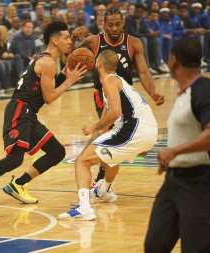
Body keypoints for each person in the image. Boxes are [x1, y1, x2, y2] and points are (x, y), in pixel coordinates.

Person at [0, 21, 87, 211]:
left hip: (28, 112)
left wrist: (67, 71)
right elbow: (49, 98)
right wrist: (70, 81)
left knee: (57, 152)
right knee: (15, 158)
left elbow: (48, 86)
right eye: (66, 39)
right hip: (20, 110)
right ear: (56, 41)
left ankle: (18, 184)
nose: (70, 43)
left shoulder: (46, 57)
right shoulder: (48, 62)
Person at [58, 49, 158, 220]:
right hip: (149, 128)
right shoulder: (119, 82)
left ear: (99, 64)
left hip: (135, 126)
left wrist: (93, 125)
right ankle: (104, 191)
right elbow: (106, 125)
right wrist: (98, 132)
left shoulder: (109, 80)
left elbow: (116, 112)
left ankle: (84, 208)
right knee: (113, 155)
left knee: (82, 161)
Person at [71, 8, 165, 188]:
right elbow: (72, 58)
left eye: (117, 24)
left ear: (123, 24)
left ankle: (98, 174)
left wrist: (152, 93)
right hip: (103, 94)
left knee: (137, 148)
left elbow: (143, 71)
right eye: (110, 25)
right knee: (106, 131)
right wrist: (74, 38)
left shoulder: (134, 43)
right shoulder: (94, 41)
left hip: (126, 95)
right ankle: (95, 176)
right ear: (103, 25)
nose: (114, 28)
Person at [144, 38, 210, 253]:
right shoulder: (184, 92)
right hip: (173, 182)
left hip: (199, 183)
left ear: (173, 60)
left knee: (197, 248)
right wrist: (173, 158)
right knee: (155, 245)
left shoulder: (204, 89)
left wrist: (175, 151)